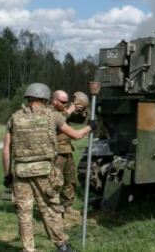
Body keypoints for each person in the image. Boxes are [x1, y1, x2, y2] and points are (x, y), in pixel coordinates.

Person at [2, 83, 97, 252]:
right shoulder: (53, 116)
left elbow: (6, 150)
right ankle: (61, 246)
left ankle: (28, 249)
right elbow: (76, 135)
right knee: (50, 209)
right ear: (46, 99)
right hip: (44, 171)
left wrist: (8, 174)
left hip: (21, 172)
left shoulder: (14, 118)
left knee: (24, 212)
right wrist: (91, 127)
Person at [50, 90, 89, 223]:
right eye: (63, 102)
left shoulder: (63, 111)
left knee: (70, 180)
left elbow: (78, 120)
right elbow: (55, 122)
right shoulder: (48, 112)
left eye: (67, 102)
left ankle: (68, 207)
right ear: (54, 100)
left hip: (66, 149)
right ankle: (52, 209)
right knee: (55, 181)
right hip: (55, 151)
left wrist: (82, 111)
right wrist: (69, 110)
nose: (65, 104)